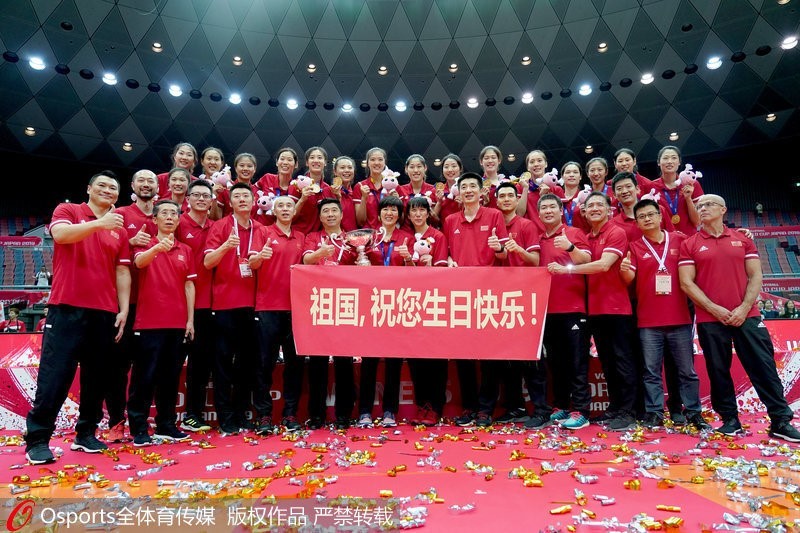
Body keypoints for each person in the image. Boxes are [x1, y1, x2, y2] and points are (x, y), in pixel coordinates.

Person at [25, 171, 131, 464]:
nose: (107, 190)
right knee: (56, 375)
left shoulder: (119, 230)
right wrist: (99, 223)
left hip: (104, 312)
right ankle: (38, 439)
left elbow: (122, 270)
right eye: (102, 185)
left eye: (113, 188)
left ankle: (86, 433)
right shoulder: (69, 210)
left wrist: (123, 309)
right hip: (67, 307)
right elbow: (60, 235)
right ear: (89, 189)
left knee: (97, 378)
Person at [678, 194, 800, 442]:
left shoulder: (743, 239)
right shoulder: (690, 244)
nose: (702, 208)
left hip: (748, 315)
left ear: (723, 209)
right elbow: (686, 283)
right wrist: (714, 309)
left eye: (708, 204)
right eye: (699, 206)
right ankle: (730, 420)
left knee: (763, 366)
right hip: (710, 318)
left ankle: (780, 420)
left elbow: (755, 276)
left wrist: (744, 308)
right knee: (718, 370)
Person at [548, 191, 637, 431]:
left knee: (622, 360)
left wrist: (566, 270)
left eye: (600, 204)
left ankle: (628, 411)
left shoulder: (616, 232)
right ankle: (615, 408)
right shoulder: (588, 237)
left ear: (609, 209)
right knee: (608, 362)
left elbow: (603, 265)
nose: (595, 208)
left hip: (616, 308)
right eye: (590, 206)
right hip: (595, 309)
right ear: (584, 212)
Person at [618, 199, 709, 431]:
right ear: (637, 223)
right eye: (642, 217)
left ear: (660, 216)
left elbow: (702, 248)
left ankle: (694, 412)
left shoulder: (679, 239)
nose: (647, 219)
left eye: (651, 214)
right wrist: (624, 271)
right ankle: (654, 412)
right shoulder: (635, 246)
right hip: (648, 321)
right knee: (651, 372)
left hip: (680, 318)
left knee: (687, 371)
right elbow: (630, 279)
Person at [128, 200, 195, 446]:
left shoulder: (185, 250)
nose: (169, 217)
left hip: (177, 323)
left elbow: (189, 285)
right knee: (144, 378)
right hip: (149, 323)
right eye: (164, 213)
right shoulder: (144, 243)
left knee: (170, 377)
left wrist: (190, 320)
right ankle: (139, 427)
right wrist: (157, 248)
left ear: (178, 219)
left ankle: (166, 424)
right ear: (154, 219)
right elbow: (139, 263)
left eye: (173, 214)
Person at [443, 172, 508, 427]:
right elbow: (447, 253)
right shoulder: (451, 220)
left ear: (482, 192)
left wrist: (498, 248)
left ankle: (486, 408)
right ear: (458, 193)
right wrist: (450, 260)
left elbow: (504, 255)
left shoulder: (494, 215)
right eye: (464, 187)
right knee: (464, 354)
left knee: (489, 354)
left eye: (473, 186)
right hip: (461, 295)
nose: (468, 190)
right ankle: (469, 406)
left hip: (489, 294)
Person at [204, 182, 265, 434]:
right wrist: (226, 247)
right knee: (222, 364)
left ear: (253, 202)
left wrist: (258, 260)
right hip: (224, 305)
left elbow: (260, 263)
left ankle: (240, 414)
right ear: (230, 202)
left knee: (246, 365)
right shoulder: (220, 226)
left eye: (246, 196)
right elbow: (208, 262)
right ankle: (225, 417)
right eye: (237, 196)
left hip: (252, 306)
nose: (242, 199)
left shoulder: (261, 229)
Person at [530, 193, 592, 430]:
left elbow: (586, 260)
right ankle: (561, 405)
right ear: (538, 213)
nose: (548, 211)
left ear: (560, 210)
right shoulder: (539, 239)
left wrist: (570, 247)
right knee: (556, 362)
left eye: (551, 207)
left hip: (573, 308)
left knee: (577, 362)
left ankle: (581, 411)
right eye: (543, 208)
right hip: (547, 309)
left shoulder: (574, 233)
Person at [106, 169, 159, 443]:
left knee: (145, 369)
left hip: (155, 305)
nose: (146, 185)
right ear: (133, 185)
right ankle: (116, 421)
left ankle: (139, 423)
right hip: (124, 304)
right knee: (117, 367)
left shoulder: (165, 216)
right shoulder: (121, 215)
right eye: (142, 180)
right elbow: (106, 248)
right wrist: (129, 242)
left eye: (151, 181)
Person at [252, 196, 306, 434]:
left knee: (295, 364)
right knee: (264, 364)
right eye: (280, 206)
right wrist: (259, 257)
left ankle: (290, 414)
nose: (285, 209)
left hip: (297, 309)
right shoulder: (263, 232)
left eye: (289, 206)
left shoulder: (301, 237)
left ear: (295, 211)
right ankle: (264, 415)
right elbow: (252, 263)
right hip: (267, 307)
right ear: (274, 211)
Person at [302, 198, 358, 429]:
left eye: (335, 210)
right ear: (320, 216)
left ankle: (344, 415)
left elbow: (360, 266)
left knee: (345, 363)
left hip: (345, 305)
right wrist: (320, 253)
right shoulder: (313, 237)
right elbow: (305, 259)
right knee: (317, 362)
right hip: (319, 305)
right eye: (326, 211)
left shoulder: (352, 239)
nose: (331, 214)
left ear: (342, 215)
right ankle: (317, 415)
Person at [357, 196, 412, 428]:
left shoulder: (407, 238)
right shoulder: (369, 238)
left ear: (399, 215)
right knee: (368, 361)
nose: (389, 213)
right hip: (372, 305)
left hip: (397, 305)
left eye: (394, 210)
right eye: (385, 209)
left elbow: (415, 272)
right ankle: (364, 411)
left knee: (393, 361)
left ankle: (390, 410)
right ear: (379, 214)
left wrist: (409, 260)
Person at [492, 182, 540, 425]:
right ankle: (514, 406)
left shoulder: (526, 225)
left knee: (529, 358)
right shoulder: (493, 225)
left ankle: (540, 410)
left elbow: (536, 260)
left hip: (523, 297)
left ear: (516, 199)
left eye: (511, 195)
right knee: (505, 358)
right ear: (496, 200)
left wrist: (518, 250)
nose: (506, 199)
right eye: (502, 196)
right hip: (497, 298)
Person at [175, 180, 216, 433]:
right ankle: (163, 417)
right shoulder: (177, 223)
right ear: (187, 198)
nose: (201, 199)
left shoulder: (216, 227)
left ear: (211, 201)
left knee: (200, 364)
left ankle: (192, 415)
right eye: (196, 195)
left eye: (205, 195)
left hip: (208, 305)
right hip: (179, 304)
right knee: (173, 362)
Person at [404, 196, 449, 425]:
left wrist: (430, 265)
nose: (418, 214)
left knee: (436, 357)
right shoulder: (405, 238)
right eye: (414, 210)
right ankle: (422, 405)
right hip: (411, 305)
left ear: (428, 213)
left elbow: (441, 271)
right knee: (415, 358)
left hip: (434, 303)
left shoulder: (438, 236)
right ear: (408, 215)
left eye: (422, 210)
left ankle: (435, 407)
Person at [652, 146, 702, 236]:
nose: (669, 161)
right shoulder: (651, 187)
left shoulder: (692, 184)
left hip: (689, 239)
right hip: (664, 241)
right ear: (658, 162)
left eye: (674, 158)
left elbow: (697, 221)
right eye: (665, 158)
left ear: (679, 162)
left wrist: (688, 199)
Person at [290, 147, 336, 235]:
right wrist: (302, 199)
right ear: (307, 163)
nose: (316, 160)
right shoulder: (296, 184)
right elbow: (289, 216)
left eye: (319, 157)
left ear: (325, 162)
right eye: (312, 157)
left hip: (318, 237)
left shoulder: (328, 189)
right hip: (296, 235)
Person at [517, 150, 564, 230]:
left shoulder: (556, 189)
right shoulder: (521, 187)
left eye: (539, 160)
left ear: (546, 164)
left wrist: (545, 196)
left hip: (551, 233)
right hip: (529, 233)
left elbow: (561, 217)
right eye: (532, 162)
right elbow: (519, 214)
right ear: (528, 167)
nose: (536, 164)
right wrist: (525, 189)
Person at [356, 147, 394, 228]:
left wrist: (397, 201)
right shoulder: (360, 186)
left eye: (380, 159)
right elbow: (360, 222)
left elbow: (401, 220)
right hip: (369, 233)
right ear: (367, 163)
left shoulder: (392, 185)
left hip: (388, 232)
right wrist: (364, 198)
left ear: (384, 162)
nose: (376, 163)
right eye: (372, 159)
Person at [431, 154, 463, 227]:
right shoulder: (436, 191)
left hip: (465, 230)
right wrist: (439, 202)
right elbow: (432, 219)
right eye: (446, 167)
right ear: (442, 170)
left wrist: (463, 205)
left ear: (460, 168)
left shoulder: (468, 189)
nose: (450, 170)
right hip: (444, 231)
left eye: (454, 166)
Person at [330, 156, 360, 232]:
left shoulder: (356, 193)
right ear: (335, 171)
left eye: (350, 167)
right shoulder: (328, 191)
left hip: (354, 236)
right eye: (342, 167)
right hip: (336, 236)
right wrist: (338, 198)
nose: (346, 170)